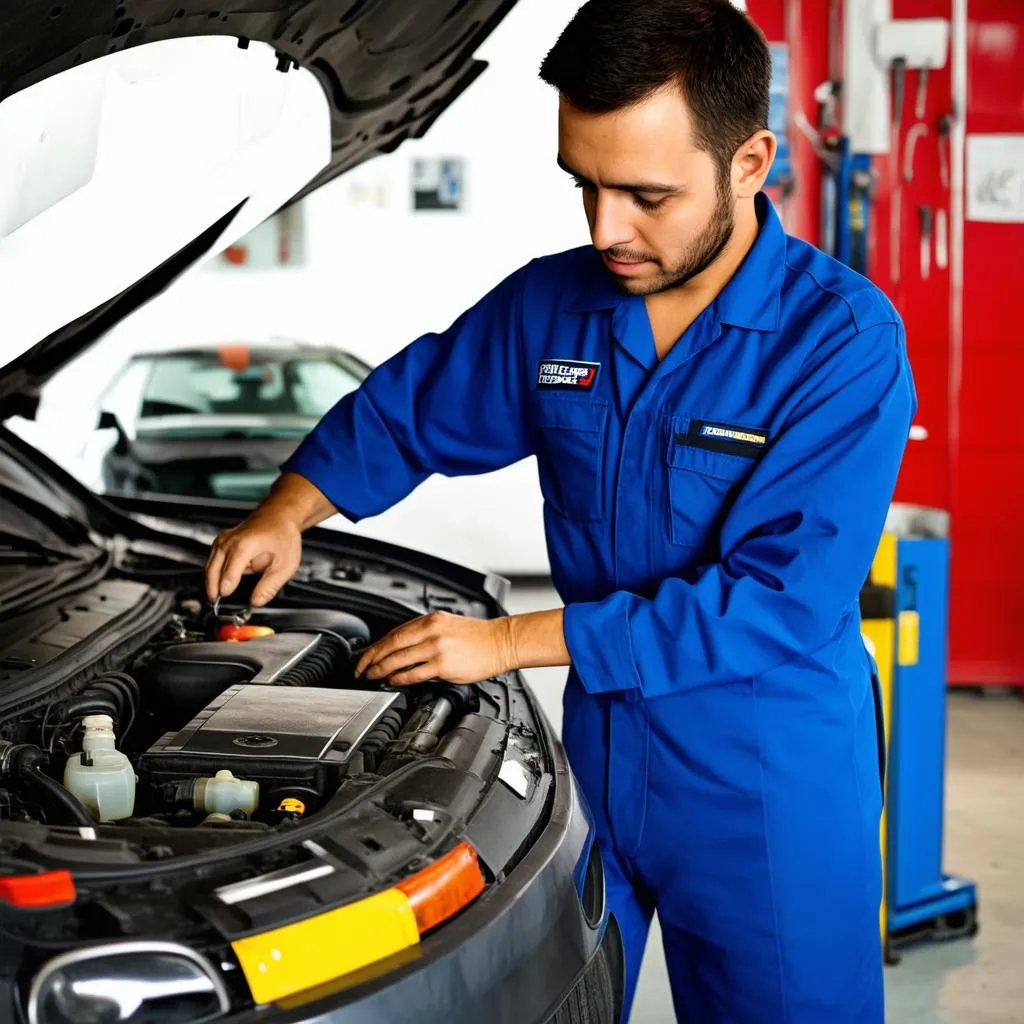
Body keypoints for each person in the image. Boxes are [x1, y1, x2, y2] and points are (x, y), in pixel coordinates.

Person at [205, 1, 916, 1019]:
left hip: (766, 775)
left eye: (646, 194)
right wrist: (289, 507)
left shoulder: (839, 341)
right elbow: (409, 412)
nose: (604, 229)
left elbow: (779, 602)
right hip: (593, 761)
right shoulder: (555, 305)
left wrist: (504, 643)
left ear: (751, 160)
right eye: (583, 185)